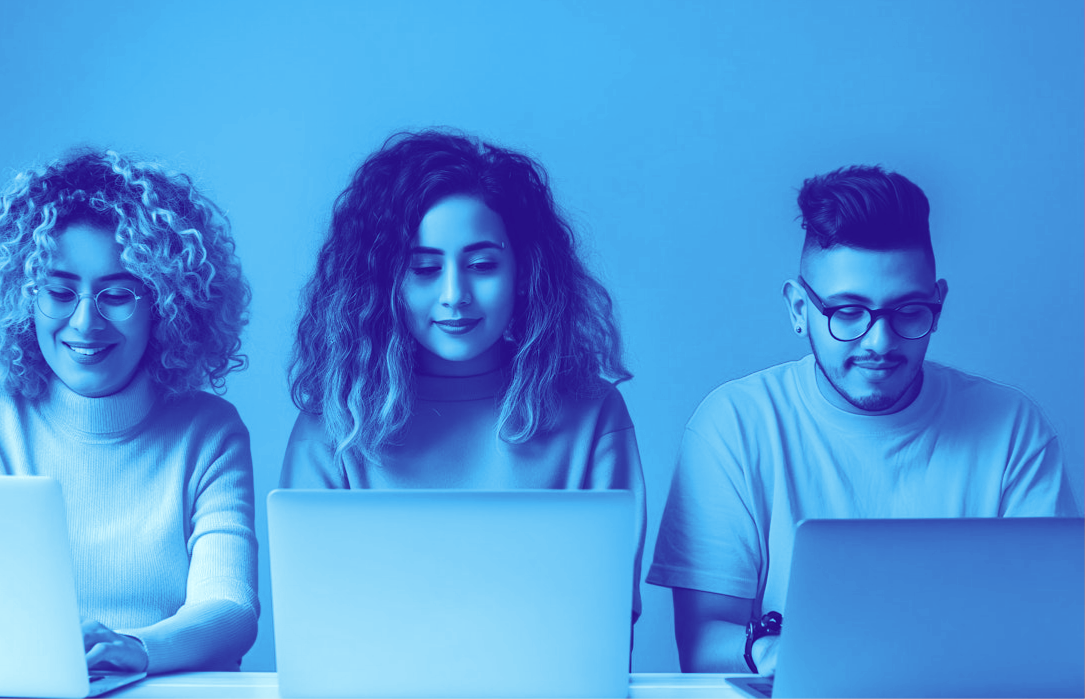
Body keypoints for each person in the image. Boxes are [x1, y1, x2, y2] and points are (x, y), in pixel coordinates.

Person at [647, 165, 1075, 675]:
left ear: (938, 305)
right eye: (847, 312)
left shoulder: (1012, 428)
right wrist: (776, 651)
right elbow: (702, 646)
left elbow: (1051, 628)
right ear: (799, 308)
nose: (880, 341)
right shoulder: (734, 424)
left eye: (908, 310)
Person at [281, 129, 647, 623]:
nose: (455, 294)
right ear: (383, 284)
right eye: (425, 270)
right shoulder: (333, 427)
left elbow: (606, 618)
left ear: (526, 272)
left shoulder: (592, 415)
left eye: (481, 264)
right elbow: (313, 621)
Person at [0, 149, 258, 674]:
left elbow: (231, 609)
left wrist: (135, 650)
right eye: (58, 291)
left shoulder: (208, 431)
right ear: (22, 297)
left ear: (167, 303)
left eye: (117, 294)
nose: (84, 323)